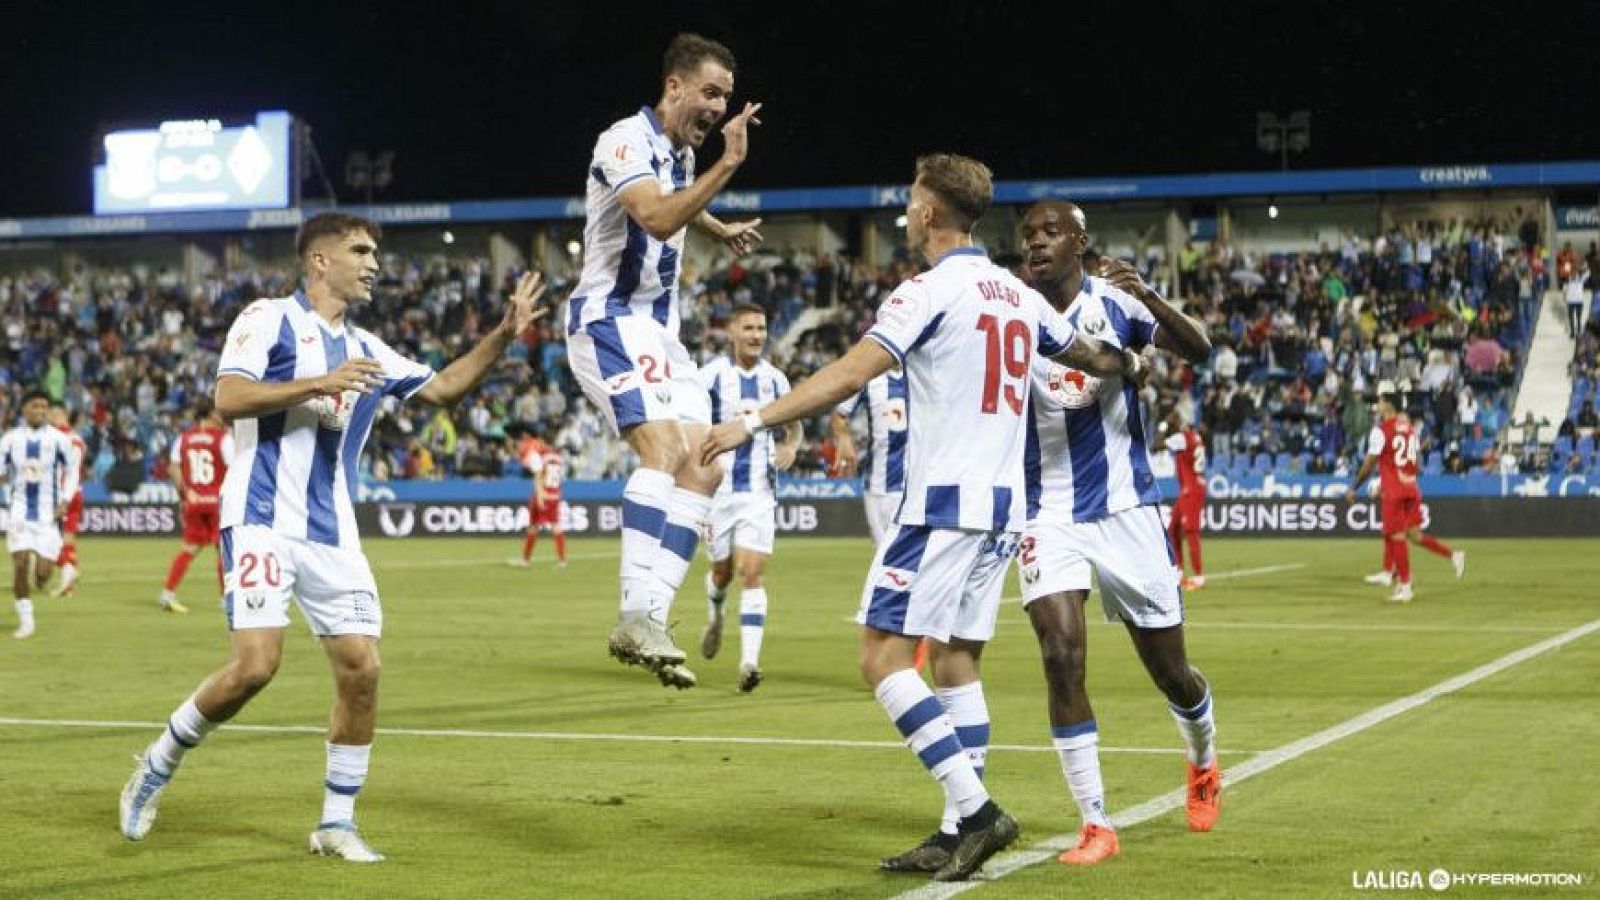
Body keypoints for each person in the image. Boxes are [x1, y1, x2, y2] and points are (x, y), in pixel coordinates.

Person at [702, 155, 1140, 882]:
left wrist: (752, 422)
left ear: (932, 212)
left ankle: (976, 811)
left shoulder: (928, 291)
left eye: (910, 201)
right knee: (956, 659)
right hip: (1004, 511)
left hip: (941, 504)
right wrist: (1127, 363)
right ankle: (950, 831)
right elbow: (1089, 353)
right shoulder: (1017, 291)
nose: (905, 213)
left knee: (881, 657)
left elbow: (850, 372)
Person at [119, 212, 547, 862]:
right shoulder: (268, 319)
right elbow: (229, 398)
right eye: (360, 250)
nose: (374, 263)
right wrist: (318, 382)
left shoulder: (371, 351)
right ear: (320, 260)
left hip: (332, 531)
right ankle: (158, 760)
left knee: (362, 668)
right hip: (260, 517)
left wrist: (504, 335)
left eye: (375, 252)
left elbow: (446, 390)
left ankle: (335, 824)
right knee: (255, 667)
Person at [1012, 201, 1220, 868]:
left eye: (1051, 233)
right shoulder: (1010, 311)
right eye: (1028, 235)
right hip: (1047, 511)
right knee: (1059, 654)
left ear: (1081, 242)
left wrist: (1150, 297)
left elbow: (1201, 352)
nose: (1037, 243)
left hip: (1128, 510)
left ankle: (1203, 758)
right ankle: (1096, 822)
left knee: (1172, 674)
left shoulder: (1116, 304)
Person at [564, 33, 765, 690]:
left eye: (727, 97)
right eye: (710, 92)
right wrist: (729, 165)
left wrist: (720, 228)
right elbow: (652, 215)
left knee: (708, 459)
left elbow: (680, 201)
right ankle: (633, 611)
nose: (718, 106)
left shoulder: (677, 154)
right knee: (663, 448)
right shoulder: (623, 139)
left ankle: (651, 615)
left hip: (659, 329)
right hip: (608, 318)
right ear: (673, 87)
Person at [696, 303, 800, 692]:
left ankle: (749, 662)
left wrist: (791, 446)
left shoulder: (776, 380)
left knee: (751, 573)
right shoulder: (709, 377)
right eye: (749, 328)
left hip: (759, 491)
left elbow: (795, 426)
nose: (757, 335)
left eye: (762, 327)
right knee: (721, 573)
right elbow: (688, 424)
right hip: (718, 494)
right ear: (732, 332)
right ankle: (716, 614)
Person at [1347, 394, 1466, 602]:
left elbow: (1369, 463)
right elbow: (1415, 464)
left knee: (1397, 537)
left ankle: (1404, 587)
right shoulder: (1409, 430)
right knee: (1414, 535)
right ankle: (1454, 555)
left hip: (1395, 491)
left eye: (1381, 402)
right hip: (1411, 487)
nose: (1378, 406)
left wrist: (1355, 487)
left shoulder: (1381, 430)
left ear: (1388, 406)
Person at [2, 389, 80, 638]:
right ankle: (26, 620)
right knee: (20, 561)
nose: (40, 410)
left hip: (49, 515)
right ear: (24, 409)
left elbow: (74, 470)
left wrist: (66, 500)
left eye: (44, 406)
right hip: (20, 511)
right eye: (35, 406)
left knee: (42, 576)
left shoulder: (59, 440)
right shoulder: (10, 439)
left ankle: (43, 569)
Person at [159, 398, 234, 613]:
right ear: (211, 414)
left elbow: (173, 468)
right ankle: (226, 599)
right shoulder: (224, 439)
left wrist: (185, 492)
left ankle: (168, 593)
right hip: (218, 502)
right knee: (223, 551)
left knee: (189, 549)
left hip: (193, 502)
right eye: (219, 412)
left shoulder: (183, 438)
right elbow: (233, 469)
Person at [830, 366, 908, 547]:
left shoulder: (922, 374)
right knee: (881, 559)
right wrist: (843, 439)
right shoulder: (871, 380)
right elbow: (839, 414)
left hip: (914, 488)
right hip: (878, 486)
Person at [509, 426, 568, 568]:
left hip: (543, 493)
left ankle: (558, 561)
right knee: (540, 525)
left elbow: (539, 474)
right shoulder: (558, 458)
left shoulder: (542, 456)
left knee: (540, 526)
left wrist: (540, 494)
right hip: (555, 494)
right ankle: (529, 560)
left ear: (542, 440)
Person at [1162, 409, 1208, 590]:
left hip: (1192, 490)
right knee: (1173, 529)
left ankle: (1198, 577)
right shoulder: (1195, 437)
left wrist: (1164, 425)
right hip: (1189, 489)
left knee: (1191, 531)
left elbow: (1157, 444)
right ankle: (1179, 573)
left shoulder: (1183, 438)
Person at [47, 402, 88, 597]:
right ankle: (68, 586)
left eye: (52, 415)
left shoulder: (53, 439)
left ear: (59, 415)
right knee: (69, 540)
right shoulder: (78, 439)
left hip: (60, 495)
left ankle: (68, 569)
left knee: (45, 541)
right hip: (76, 493)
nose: (49, 418)